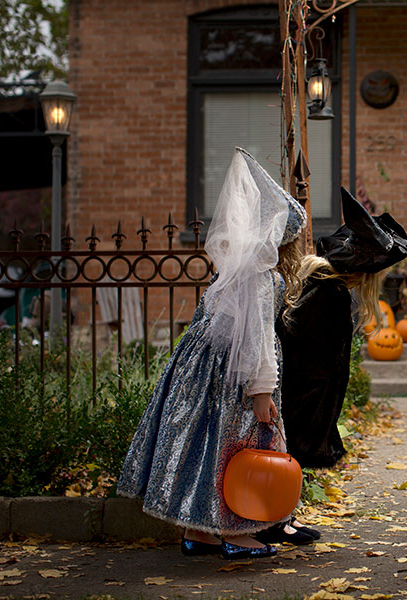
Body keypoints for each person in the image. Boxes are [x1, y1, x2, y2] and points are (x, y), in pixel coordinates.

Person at [117, 147, 311, 559]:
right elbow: (256, 336)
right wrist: (261, 390)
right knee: (237, 447)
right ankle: (235, 532)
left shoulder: (234, 271)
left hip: (201, 368)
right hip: (236, 374)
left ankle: (198, 531)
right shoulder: (261, 277)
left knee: (203, 444)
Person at [255, 188, 407, 545]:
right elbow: (300, 342)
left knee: (288, 454)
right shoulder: (329, 293)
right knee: (285, 452)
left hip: (309, 390)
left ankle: (282, 518)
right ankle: (272, 521)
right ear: (364, 272)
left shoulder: (327, 286)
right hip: (302, 390)